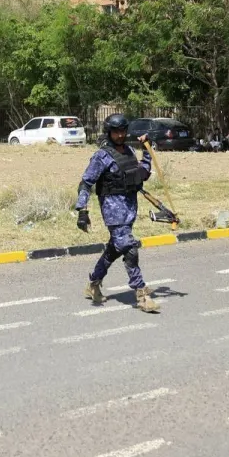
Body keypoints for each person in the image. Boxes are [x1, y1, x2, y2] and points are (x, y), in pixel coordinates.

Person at [75, 114, 161, 314]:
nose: (120, 135)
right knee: (130, 249)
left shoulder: (130, 151)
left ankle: (93, 284)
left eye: (123, 131)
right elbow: (86, 182)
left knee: (114, 249)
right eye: (116, 132)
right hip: (113, 211)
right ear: (109, 132)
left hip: (130, 209)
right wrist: (82, 210)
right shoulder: (102, 156)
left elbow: (143, 174)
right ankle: (141, 294)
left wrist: (147, 151)